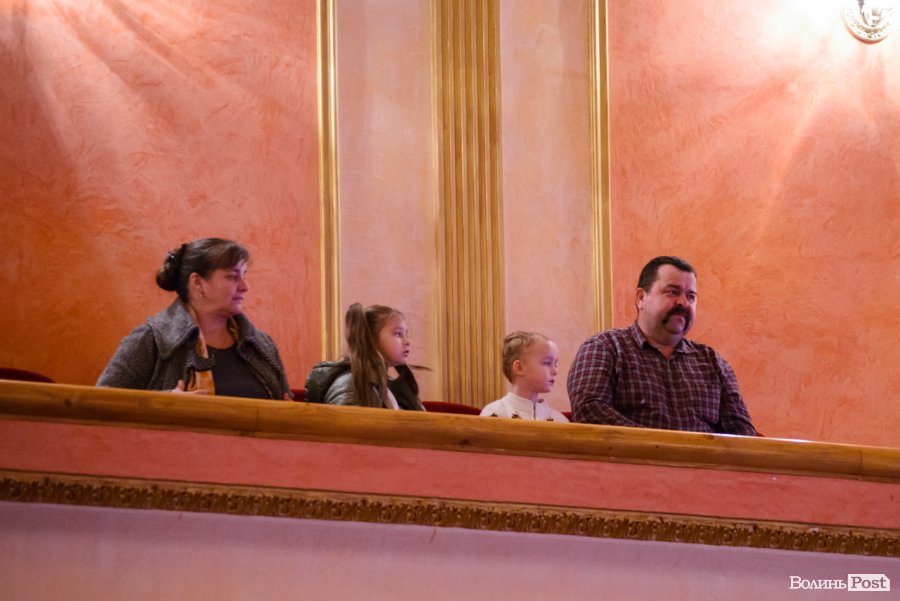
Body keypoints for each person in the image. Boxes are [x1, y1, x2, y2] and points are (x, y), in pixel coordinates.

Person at [567, 256, 756, 435]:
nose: (683, 302)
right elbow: (589, 413)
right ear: (641, 298)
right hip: (632, 458)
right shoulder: (604, 348)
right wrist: (661, 447)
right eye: (672, 292)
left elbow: (743, 435)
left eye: (691, 296)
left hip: (703, 460)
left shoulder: (714, 363)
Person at [97, 238, 291, 400]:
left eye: (244, 275)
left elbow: (285, 405)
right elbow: (101, 404)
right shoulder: (151, 339)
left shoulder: (262, 346)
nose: (244, 287)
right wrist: (162, 403)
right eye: (232, 277)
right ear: (197, 282)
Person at [304, 303, 425, 410]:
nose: (407, 342)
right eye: (398, 334)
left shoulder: (389, 385)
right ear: (370, 338)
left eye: (406, 334)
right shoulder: (350, 386)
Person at [480, 331, 569, 422]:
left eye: (555, 364)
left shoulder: (559, 420)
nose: (555, 371)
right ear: (519, 368)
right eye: (547, 363)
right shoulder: (494, 414)